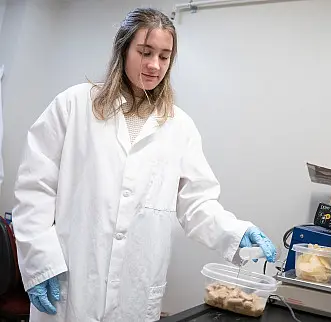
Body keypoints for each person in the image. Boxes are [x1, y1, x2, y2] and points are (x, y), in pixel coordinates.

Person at [12, 8, 277, 322]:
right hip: (73, 285)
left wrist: (236, 231)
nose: (154, 65)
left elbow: (197, 204)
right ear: (124, 49)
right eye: (145, 52)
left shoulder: (180, 127)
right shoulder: (73, 106)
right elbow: (35, 189)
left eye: (164, 56)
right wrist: (40, 261)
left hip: (134, 294)